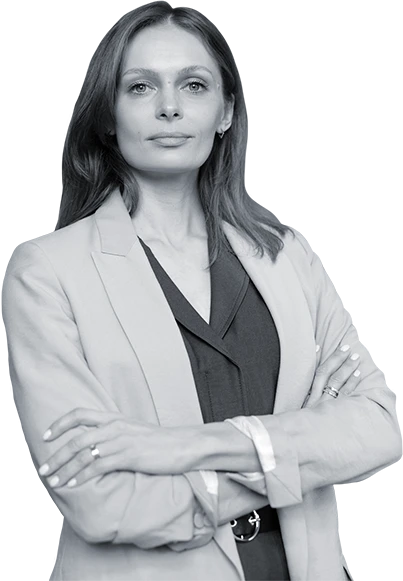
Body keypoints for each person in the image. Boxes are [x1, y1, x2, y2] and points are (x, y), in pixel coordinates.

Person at [1, 2, 400, 581]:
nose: (169, 107)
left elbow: (384, 425)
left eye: (193, 85)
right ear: (108, 115)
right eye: (140, 87)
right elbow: (100, 501)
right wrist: (302, 453)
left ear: (225, 111)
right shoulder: (48, 273)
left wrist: (180, 448)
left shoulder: (286, 256)